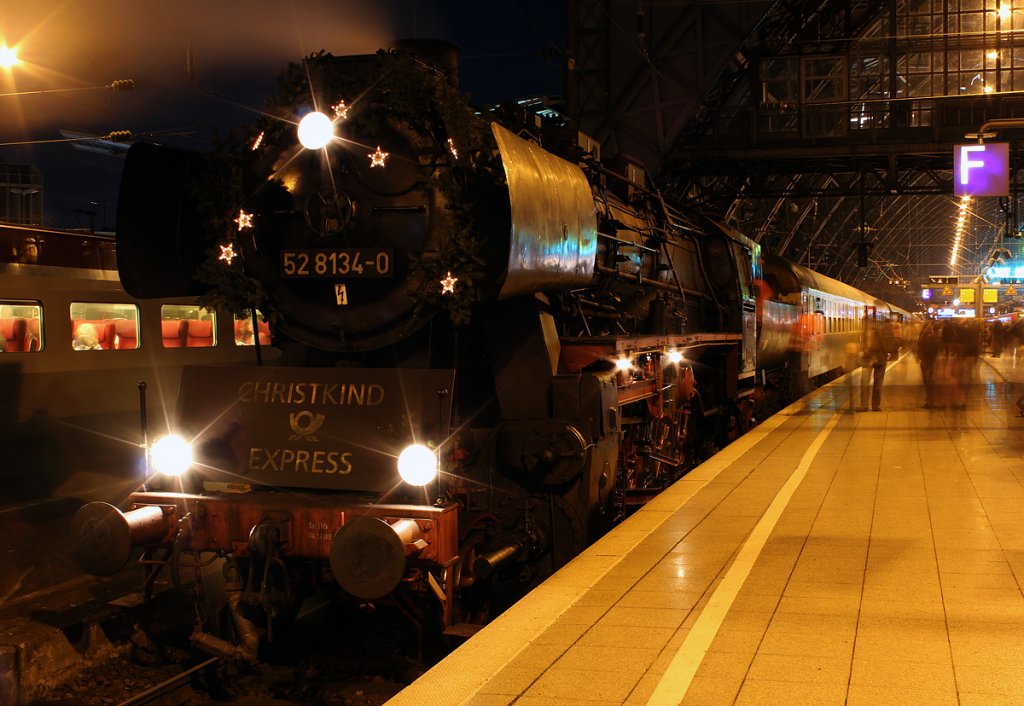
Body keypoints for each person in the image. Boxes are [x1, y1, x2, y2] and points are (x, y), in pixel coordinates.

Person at [859, 325, 888, 412]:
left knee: (877, 384)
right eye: (868, 334)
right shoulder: (864, 338)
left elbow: (884, 348)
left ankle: (875, 405)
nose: (869, 335)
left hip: (880, 361)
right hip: (869, 361)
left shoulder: (880, 339)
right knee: (865, 383)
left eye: (871, 334)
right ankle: (865, 406)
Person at [916, 319, 941, 409]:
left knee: (929, 381)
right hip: (929, 361)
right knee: (929, 381)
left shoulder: (927, 337)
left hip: (928, 361)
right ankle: (930, 401)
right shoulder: (934, 337)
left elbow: (923, 348)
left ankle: (930, 401)